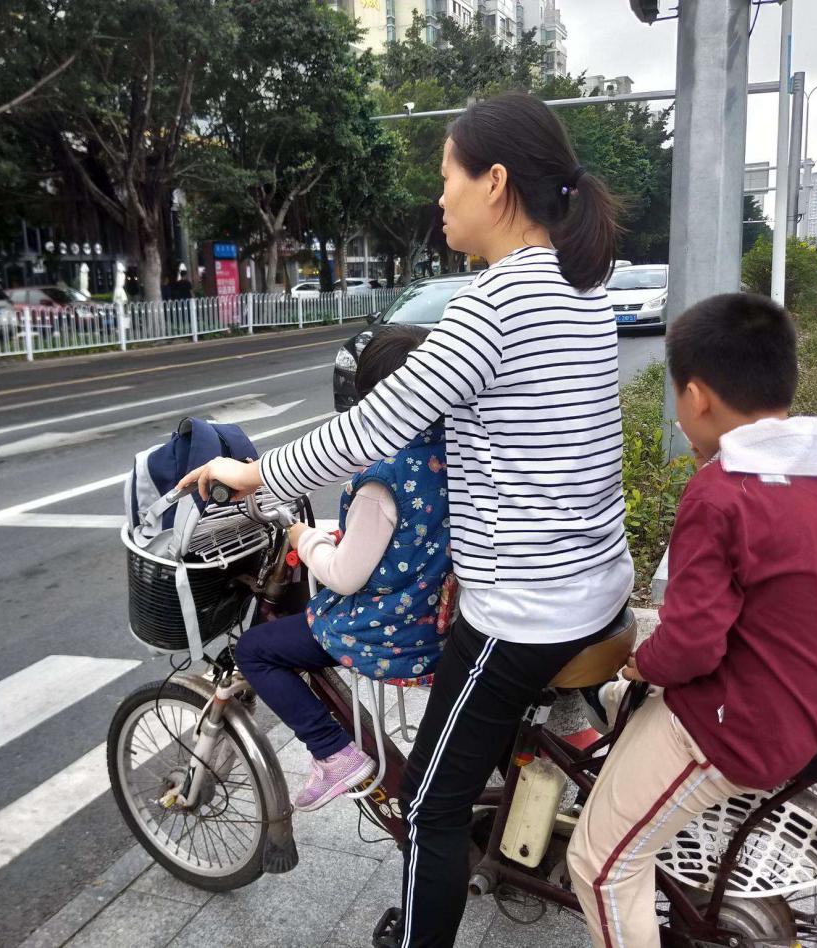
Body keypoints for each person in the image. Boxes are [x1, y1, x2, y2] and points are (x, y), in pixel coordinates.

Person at [180, 91, 631, 947]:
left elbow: (371, 430)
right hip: (596, 585)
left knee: (427, 802)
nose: (441, 197)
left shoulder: (494, 304)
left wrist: (251, 474)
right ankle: (507, 840)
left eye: (447, 177)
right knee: (466, 752)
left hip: (528, 611)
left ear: (494, 183)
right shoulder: (582, 291)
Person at [566, 293, 817, 948]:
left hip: (742, 725)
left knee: (599, 863)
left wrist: (641, 660)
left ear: (698, 398)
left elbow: (693, 644)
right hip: (816, 698)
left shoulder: (722, 489)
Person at [235, 326, 451, 813]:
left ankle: (333, 753)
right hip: (436, 616)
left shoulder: (384, 478)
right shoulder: (453, 450)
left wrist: (304, 539)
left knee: (255, 650)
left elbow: (345, 577)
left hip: (390, 628)